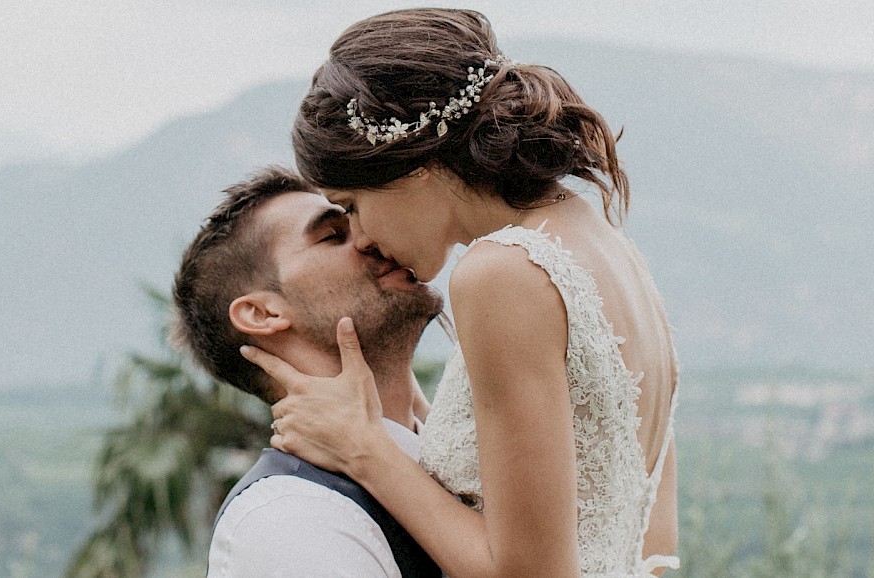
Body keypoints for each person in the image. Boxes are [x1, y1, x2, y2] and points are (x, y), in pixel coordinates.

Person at [239, 8, 680, 577]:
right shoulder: (609, 250)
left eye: (352, 206)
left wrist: (363, 447)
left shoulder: (501, 273)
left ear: (413, 164)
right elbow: (654, 549)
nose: (364, 238)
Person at [171, 166, 445, 577]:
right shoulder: (288, 517)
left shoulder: (455, 448)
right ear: (263, 313)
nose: (372, 236)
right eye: (334, 235)